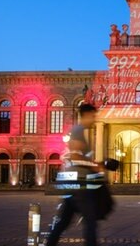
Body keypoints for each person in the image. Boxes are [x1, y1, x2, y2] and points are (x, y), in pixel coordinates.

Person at [46, 104, 108, 246]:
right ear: (86, 115)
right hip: (80, 185)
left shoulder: (80, 130)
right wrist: (95, 165)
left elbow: (78, 156)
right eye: (93, 115)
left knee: (64, 221)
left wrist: (94, 163)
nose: (94, 119)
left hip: (76, 184)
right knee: (90, 221)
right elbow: (75, 156)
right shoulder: (78, 130)